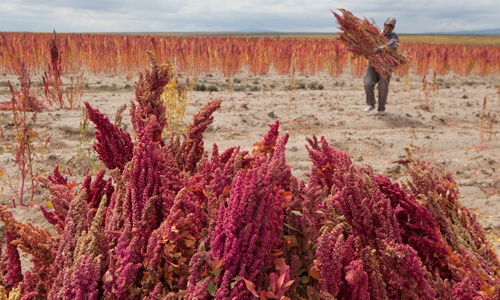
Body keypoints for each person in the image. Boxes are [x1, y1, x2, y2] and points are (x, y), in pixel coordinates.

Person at [363, 17, 399, 115]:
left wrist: (379, 49)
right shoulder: (376, 35)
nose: (388, 27)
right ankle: (370, 104)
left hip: (386, 66)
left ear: (393, 27)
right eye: (387, 25)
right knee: (367, 83)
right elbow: (368, 45)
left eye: (390, 26)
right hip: (373, 64)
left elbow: (392, 45)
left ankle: (381, 109)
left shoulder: (394, 37)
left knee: (383, 87)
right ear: (384, 25)